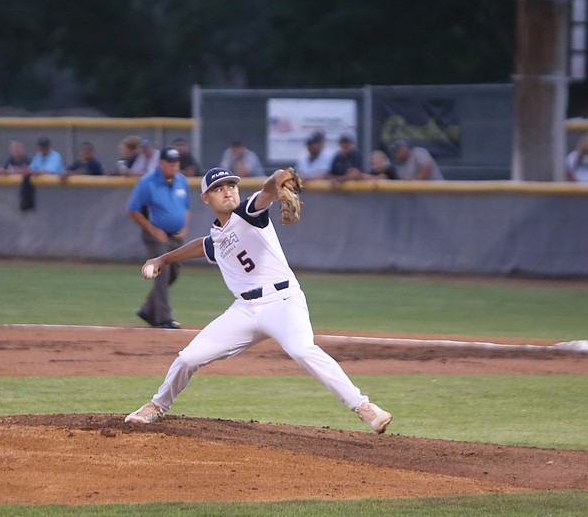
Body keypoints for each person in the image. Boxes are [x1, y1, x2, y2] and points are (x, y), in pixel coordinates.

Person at [124, 166, 392, 434]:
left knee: (302, 350)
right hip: (244, 310)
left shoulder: (249, 213)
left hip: (282, 301)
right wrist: (162, 258)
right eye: (218, 188)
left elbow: (267, 190)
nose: (227, 191)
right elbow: (201, 245)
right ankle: (156, 406)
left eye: (231, 186)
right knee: (188, 358)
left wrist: (279, 177)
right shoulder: (217, 238)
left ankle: (364, 407)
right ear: (206, 198)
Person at [126, 146, 190, 329]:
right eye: (170, 163)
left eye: (176, 162)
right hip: (155, 235)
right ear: (161, 163)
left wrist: (184, 228)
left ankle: (148, 310)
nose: (174, 166)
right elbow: (133, 210)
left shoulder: (181, 181)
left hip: (176, 236)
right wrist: (153, 230)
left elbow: (186, 207)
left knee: (174, 272)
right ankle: (164, 318)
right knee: (162, 272)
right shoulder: (147, 182)